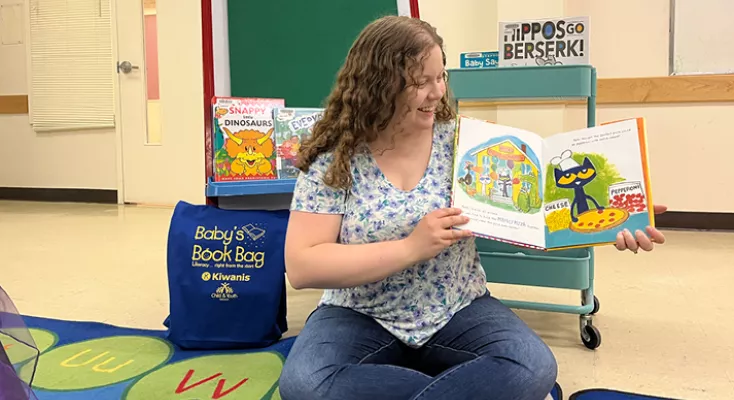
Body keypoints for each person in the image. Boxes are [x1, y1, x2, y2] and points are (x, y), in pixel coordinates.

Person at [278, 16, 666, 400]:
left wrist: (615, 221)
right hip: (360, 313)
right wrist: (409, 248)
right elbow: (303, 265)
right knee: (304, 382)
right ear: (379, 84)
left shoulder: (468, 144)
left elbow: (544, 214)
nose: (437, 93)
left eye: (441, 76)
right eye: (420, 82)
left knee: (532, 365)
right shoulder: (335, 158)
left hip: (456, 307)